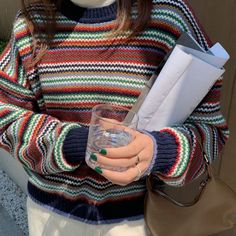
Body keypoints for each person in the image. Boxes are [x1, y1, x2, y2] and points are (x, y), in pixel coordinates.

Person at [0, 0, 229, 235]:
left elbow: (211, 132)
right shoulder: (31, 24)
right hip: (50, 218)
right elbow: (6, 116)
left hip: (142, 221)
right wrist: (73, 141)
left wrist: (159, 151)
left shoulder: (170, 17)